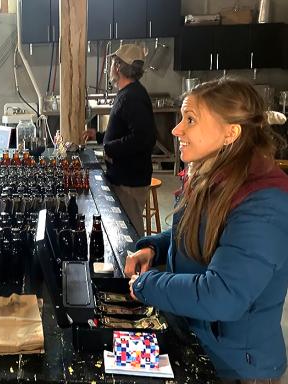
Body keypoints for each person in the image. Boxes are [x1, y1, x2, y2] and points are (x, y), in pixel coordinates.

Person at [125, 78, 288, 382]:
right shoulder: (207, 173)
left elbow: (222, 296)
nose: (176, 130)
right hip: (197, 342)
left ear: (231, 132)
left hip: (236, 368)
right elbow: (191, 234)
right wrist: (155, 248)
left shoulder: (264, 202)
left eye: (190, 120)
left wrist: (146, 284)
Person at [84, 44, 155, 236]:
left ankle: (138, 263)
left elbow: (144, 138)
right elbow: (124, 131)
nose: (110, 68)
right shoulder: (128, 92)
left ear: (118, 67)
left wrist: (109, 147)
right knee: (124, 224)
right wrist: (98, 136)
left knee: (131, 229)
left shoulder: (132, 97)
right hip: (124, 176)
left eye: (112, 63)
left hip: (130, 180)